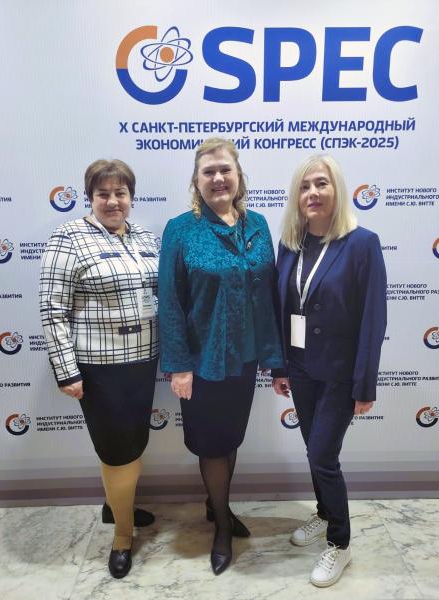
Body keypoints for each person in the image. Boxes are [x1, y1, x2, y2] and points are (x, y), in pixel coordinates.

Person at [158, 137, 285, 575]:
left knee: (230, 439)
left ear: (238, 176)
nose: (218, 178)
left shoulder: (258, 224)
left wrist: (276, 359)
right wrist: (178, 366)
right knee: (212, 445)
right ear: (196, 181)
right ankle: (223, 526)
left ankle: (218, 505)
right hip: (202, 363)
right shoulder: (181, 229)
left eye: (225, 170)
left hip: (244, 360)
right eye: (208, 172)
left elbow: (268, 296)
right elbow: (170, 301)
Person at [39, 159, 160, 579]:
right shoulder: (69, 237)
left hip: (144, 360)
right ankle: (123, 536)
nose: (113, 201)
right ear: (89, 197)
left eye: (120, 193)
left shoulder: (145, 237)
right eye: (103, 193)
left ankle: (115, 507)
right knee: (117, 450)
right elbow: (52, 309)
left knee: (134, 443)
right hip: (100, 368)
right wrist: (66, 370)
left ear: (131, 197)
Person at [270, 154, 387, 587]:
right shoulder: (290, 244)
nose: (313, 193)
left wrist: (364, 383)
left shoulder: (362, 244)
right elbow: (281, 310)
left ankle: (340, 541)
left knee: (322, 456)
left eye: (321, 183)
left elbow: (373, 318)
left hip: (340, 372)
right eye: (304, 186)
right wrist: (279, 365)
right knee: (313, 451)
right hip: (300, 369)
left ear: (336, 189)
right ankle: (322, 513)